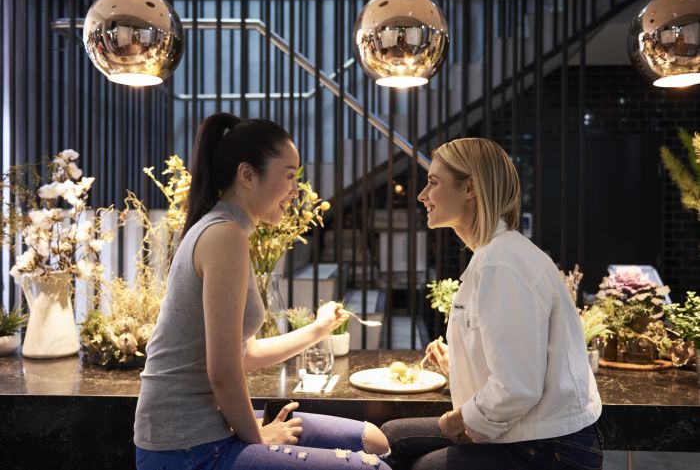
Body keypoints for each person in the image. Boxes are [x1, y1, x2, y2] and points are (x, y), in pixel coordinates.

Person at [134, 113, 391, 470]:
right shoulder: (225, 235)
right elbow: (222, 371)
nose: (295, 190)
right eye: (289, 176)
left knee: (373, 441)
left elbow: (244, 354)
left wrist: (318, 330)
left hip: (211, 429)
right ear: (247, 174)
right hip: (187, 446)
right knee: (372, 468)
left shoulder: (230, 230)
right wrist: (259, 437)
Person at [381, 138, 603, 470]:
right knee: (390, 438)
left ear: (470, 187)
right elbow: (514, 361)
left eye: (433, 182)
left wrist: (457, 422)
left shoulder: (501, 264)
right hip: (526, 434)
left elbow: (518, 388)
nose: (421, 195)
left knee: (420, 464)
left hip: (548, 448)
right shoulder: (494, 254)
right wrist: (457, 367)